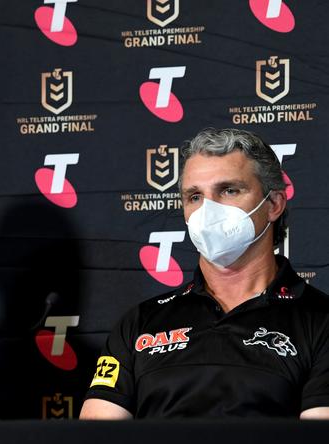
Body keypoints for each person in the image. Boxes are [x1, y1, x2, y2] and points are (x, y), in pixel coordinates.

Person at [80, 127, 329, 419]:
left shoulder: (321, 320)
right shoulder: (140, 322)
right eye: (195, 196)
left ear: (273, 204)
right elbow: (98, 441)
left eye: (229, 190)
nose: (208, 211)